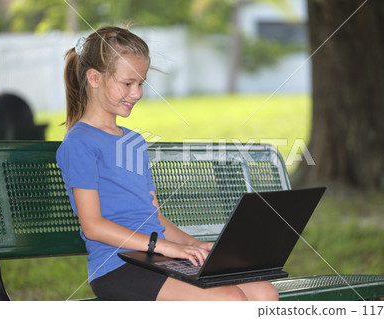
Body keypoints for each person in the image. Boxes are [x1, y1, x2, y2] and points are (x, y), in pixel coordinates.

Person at [56, 26, 279, 301]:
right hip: (116, 267)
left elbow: (154, 217)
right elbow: (93, 226)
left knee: (264, 293)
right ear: (94, 78)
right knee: (229, 301)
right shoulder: (80, 143)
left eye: (141, 83)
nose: (137, 93)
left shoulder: (133, 142)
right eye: (127, 84)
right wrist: (163, 247)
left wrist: (192, 244)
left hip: (154, 258)